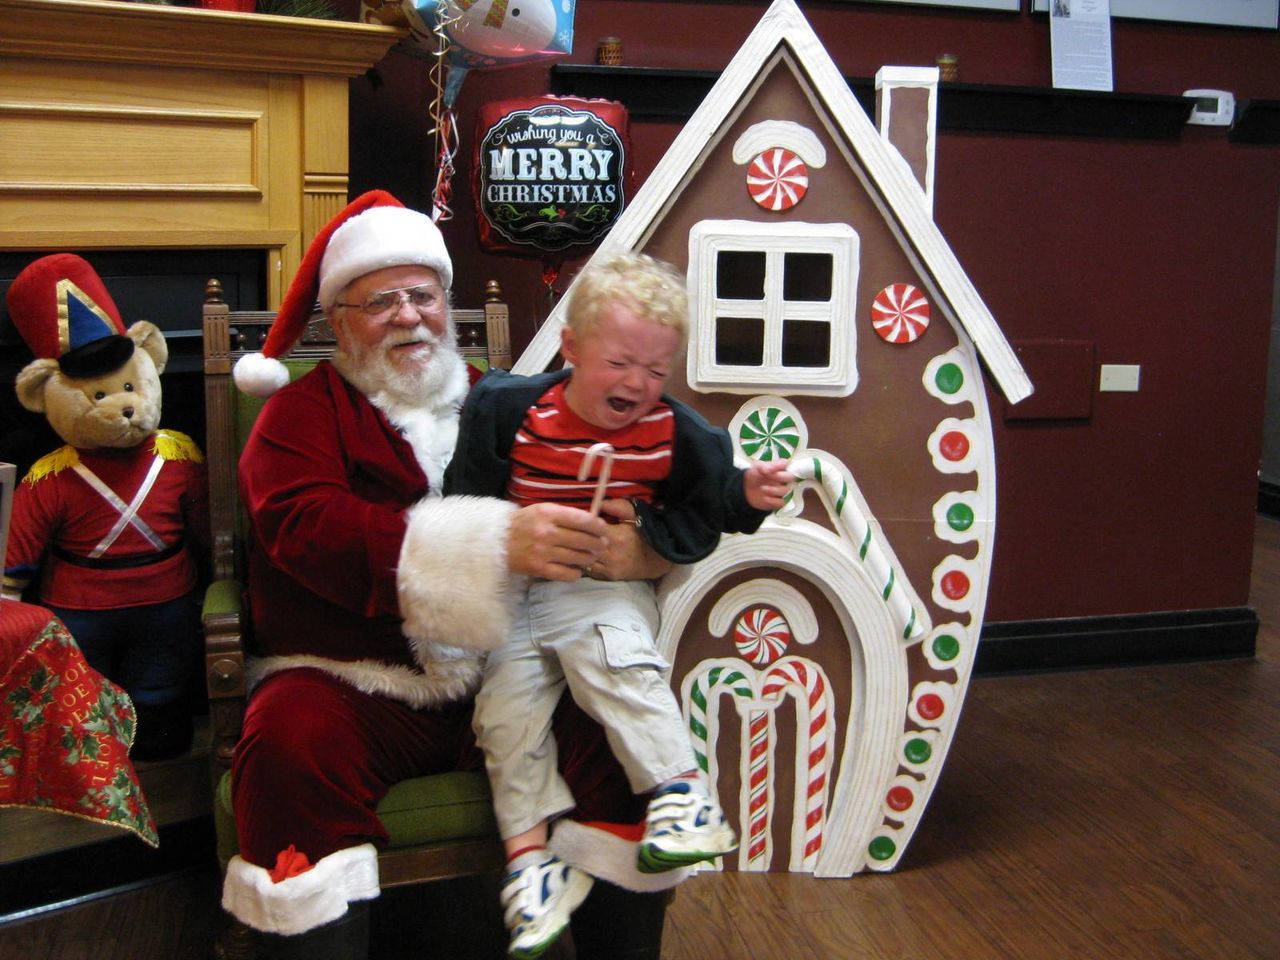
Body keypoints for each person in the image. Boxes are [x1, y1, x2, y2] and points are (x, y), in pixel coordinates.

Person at [221, 191, 676, 960]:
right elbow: (307, 529)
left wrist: (631, 540)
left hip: (506, 671)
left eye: (423, 295)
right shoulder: (296, 416)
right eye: (380, 300)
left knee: (623, 733)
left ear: (447, 304)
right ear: (337, 321)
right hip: (353, 679)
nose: (408, 316)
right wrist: (496, 543)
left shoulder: (503, 400)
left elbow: (607, 481)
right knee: (286, 746)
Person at [445, 253, 794, 958]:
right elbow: (462, 501)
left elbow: (711, 495)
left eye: (657, 371)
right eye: (621, 362)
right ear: (571, 347)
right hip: (517, 596)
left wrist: (748, 497)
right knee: (503, 720)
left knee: (615, 660)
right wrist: (488, 551)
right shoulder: (510, 410)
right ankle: (530, 865)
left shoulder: (676, 432)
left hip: (602, 587)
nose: (639, 384)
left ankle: (681, 790)